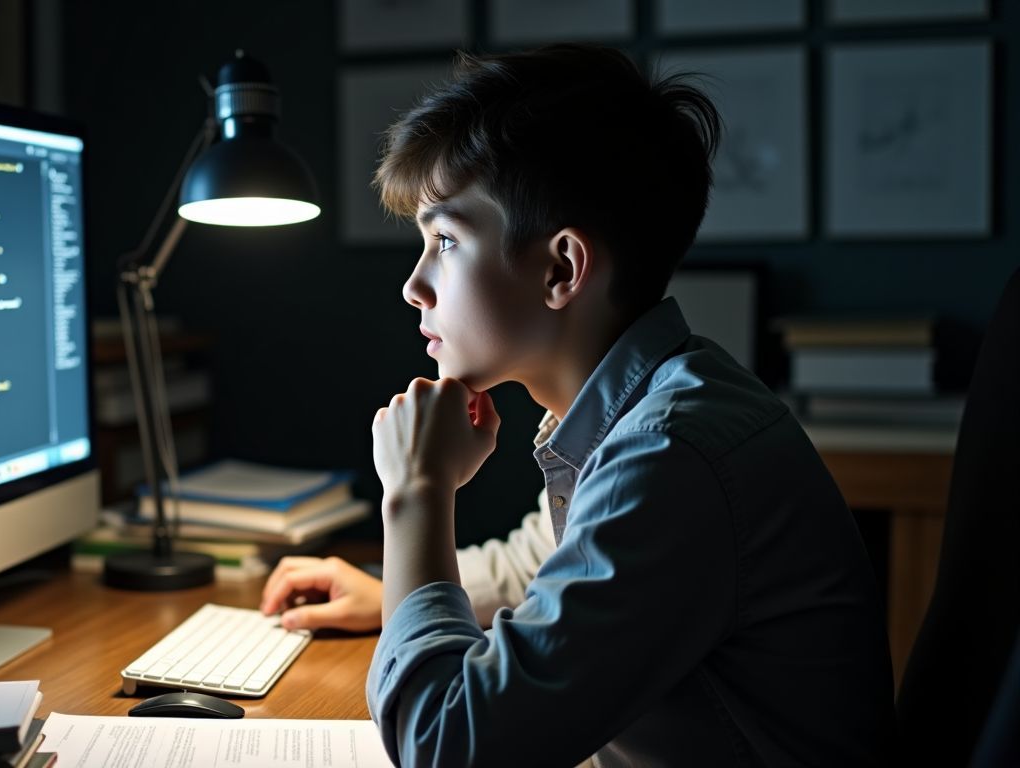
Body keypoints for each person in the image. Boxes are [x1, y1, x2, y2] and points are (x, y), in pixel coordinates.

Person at [261, 44, 895, 765]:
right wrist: (391, 595)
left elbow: (446, 747)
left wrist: (416, 495)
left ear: (562, 268)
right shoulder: (645, 406)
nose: (414, 285)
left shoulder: (669, 457)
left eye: (444, 240)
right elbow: (536, 568)